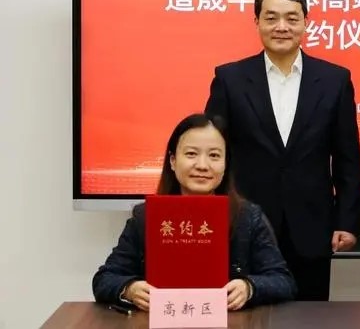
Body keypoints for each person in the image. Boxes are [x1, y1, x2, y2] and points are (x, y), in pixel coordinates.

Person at [204, 0, 360, 301]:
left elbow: (347, 157)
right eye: (271, 17)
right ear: (257, 22)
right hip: (245, 224)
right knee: (244, 311)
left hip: (312, 226)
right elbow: (213, 151)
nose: (281, 27)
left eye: (292, 18)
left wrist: (347, 221)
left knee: (309, 316)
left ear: (306, 23)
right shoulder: (230, 79)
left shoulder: (334, 80)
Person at [92, 114, 297, 311]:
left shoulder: (248, 217)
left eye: (214, 155)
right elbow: (105, 278)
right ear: (173, 161)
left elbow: (283, 280)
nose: (202, 165)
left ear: (225, 163)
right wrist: (129, 289)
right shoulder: (145, 216)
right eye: (191, 154)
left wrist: (249, 287)